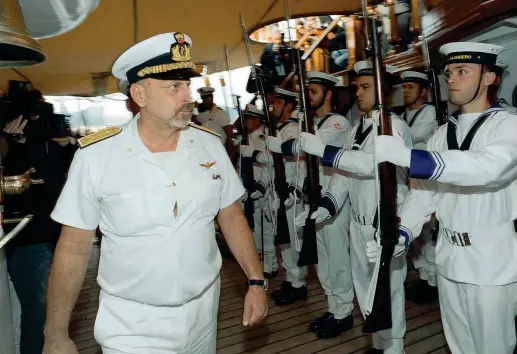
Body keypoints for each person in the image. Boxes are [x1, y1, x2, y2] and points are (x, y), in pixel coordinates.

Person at [42, 32, 268, 354]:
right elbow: (74, 250)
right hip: (133, 324)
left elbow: (230, 216)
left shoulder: (209, 144)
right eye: (174, 87)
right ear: (140, 94)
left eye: (187, 85)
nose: (188, 96)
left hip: (204, 313)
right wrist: (56, 334)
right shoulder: (96, 156)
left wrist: (256, 281)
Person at [373, 42, 517, 354]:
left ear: (489, 78)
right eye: (449, 72)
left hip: (491, 263)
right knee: (459, 345)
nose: (451, 78)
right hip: (449, 257)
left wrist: (412, 158)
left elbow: (487, 168)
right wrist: (403, 232)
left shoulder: (509, 125)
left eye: (462, 71)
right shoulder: (443, 133)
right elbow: (424, 194)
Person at [297, 61, 412, 353]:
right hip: (358, 224)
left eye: (365, 87)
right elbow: (344, 175)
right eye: (356, 87)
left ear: (383, 90)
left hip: (383, 221)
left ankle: (394, 347)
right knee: (364, 284)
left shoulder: (393, 127)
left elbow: (367, 165)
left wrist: (323, 151)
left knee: (389, 288)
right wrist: (329, 204)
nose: (358, 93)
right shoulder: (359, 128)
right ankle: (378, 343)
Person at [269, 72, 355, 339]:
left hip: (334, 200)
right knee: (322, 259)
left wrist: (284, 146)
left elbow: (317, 148)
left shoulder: (337, 123)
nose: (308, 97)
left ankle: (344, 313)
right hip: (314, 199)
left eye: (314, 92)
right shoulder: (314, 122)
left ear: (328, 94)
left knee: (338, 259)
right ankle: (334, 307)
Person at [241, 88, 308, 306]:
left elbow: (283, 157)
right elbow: (271, 166)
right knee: (285, 242)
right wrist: (261, 186)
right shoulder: (279, 130)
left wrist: (255, 155)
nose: (274, 107)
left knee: (293, 241)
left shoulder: (293, 130)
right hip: (278, 192)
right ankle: (291, 279)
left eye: (279, 103)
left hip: (292, 193)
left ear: (289, 106)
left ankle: (299, 284)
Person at [398, 70, 439, 303]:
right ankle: (423, 276)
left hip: (428, 182)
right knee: (416, 234)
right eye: (404, 88)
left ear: (423, 91)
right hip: (409, 180)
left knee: (427, 232)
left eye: (411, 88)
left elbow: (412, 137)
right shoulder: (404, 114)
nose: (406, 92)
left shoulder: (430, 112)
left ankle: (431, 281)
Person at [240, 104, 279, 278]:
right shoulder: (245, 137)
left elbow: (271, 161)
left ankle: (270, 264)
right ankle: (260, 261)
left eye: (249, 118)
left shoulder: (264, 137)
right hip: (248, 187)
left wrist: (252, 153)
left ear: (256, 120)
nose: (246, 122)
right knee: (254, 228)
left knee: (266, 228)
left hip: (264, 188)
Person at [196, 86, 236, 163]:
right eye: (203, 99)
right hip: (205, 153)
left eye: (206, 98)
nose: (204, 101)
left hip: (218, 153)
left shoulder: (221, 114)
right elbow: (193, 118)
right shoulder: (205, 114)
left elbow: (230, 137)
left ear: (211, 97)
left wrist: (230, 157)